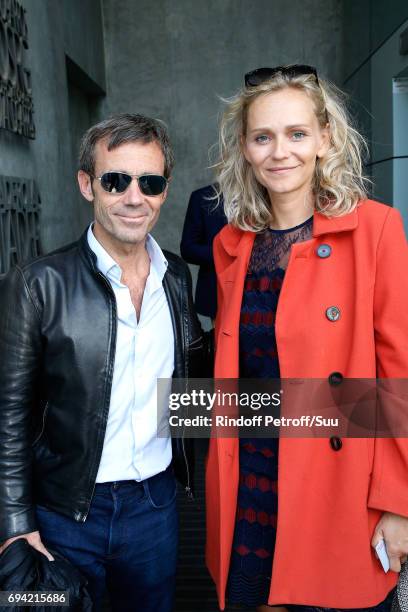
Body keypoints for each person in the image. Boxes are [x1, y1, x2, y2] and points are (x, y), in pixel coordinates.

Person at [205, 65, 408, 612]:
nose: (280, 152)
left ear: (325, 138)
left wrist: (398, 503)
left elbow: (398, 379)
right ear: (244, 148)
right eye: (262, 136)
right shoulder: (232, 244)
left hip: (337, 485)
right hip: (251, 479)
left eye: (296, 134)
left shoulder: (377, 230)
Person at [0, 113, 208, 612]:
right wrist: (13, 526)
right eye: (115, 181)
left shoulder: (176, 276)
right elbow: (7, 418)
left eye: (149, 182)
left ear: (164, 190)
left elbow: (187, 384)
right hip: (63, 513)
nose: (133, 197)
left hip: (155, 506)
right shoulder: (37, 284)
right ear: (86, 184)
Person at [180, 184, 227, 321]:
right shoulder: (202, 197)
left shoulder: (267, 193)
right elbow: (188, 249)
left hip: (261, 291)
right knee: (220, 342)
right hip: (217, 295)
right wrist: (225, 254)